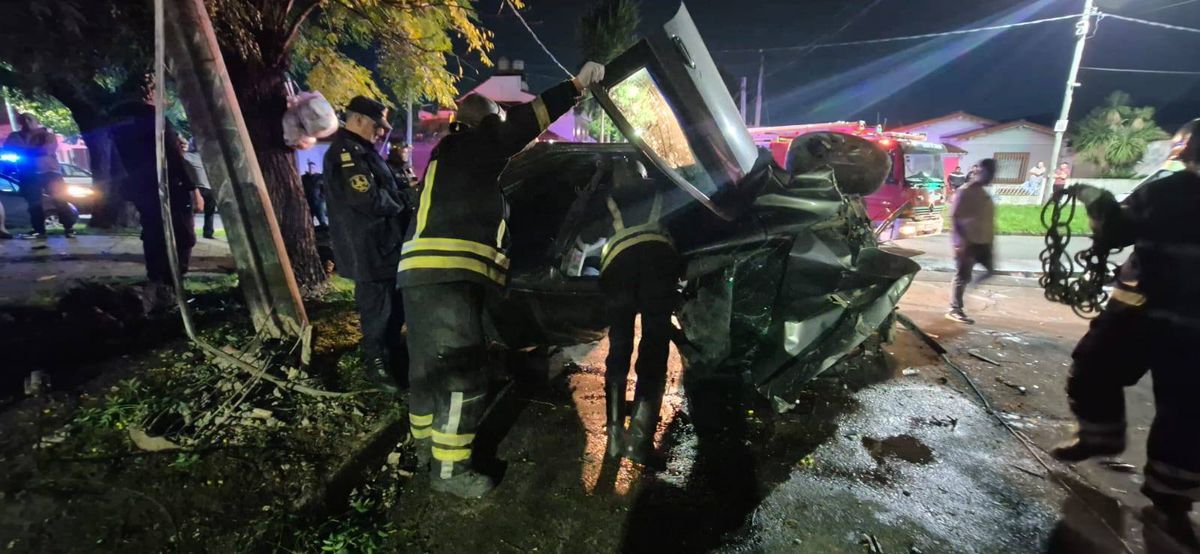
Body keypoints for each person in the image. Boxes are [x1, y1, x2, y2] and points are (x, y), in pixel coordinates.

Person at [399, 61, 604, 498]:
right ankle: (451, 472)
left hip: (419, 275)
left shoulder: (445, 158)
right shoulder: (475, 146)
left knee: (425, 370)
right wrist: (574, 87)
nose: (502, 125)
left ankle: (425, 449)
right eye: (497, 118)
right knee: (461, 376)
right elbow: (518, 129)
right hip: (450, 275)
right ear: (486, 123)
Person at [1054, 119, 1200, 549]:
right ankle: (1170, 502)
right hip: (1166, 316)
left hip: (1146, 311)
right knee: (1187, 412)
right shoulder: (1165, 192)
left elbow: (1115, 231)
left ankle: (1101, 437)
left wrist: (1094, 198)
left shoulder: (1165, 192)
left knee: (1095, 368)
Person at [322, 96, 411, 395]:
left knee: (394, 308)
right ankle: (377, 366)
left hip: (384, 246)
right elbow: (367, 199)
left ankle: (393, 357)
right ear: (357, 119)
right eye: (377, 125)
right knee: (378, 312)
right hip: (369, 251)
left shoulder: (364, 152)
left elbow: (388, 187)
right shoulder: (346, 154)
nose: (381, 132)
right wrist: (405, 201)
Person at [598, 159, 681, 465]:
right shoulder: (661, 193)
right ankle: (640, 442)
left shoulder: (606, 198)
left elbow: (586, 238)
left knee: (619, 349)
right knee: (654, 351)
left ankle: (615, 436)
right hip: (659, 273)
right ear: (643, 175)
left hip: (618, 276)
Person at [109, 77, 197, 312]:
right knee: (182, 236)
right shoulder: (155, 119)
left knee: (153, 231)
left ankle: (157, 285)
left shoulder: (117, 119)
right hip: (169, 187)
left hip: (141, 187)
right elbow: (171, 158)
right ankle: (170, 289)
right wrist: (192, 186)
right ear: (148, 93)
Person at [4, 113, 75, 239]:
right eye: (23, 119)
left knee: (60, 200)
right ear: (20, 122)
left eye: (29, 119)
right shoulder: (15, 136)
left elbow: (47, 150)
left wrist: (23, 151)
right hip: (28, 173)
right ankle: (39, 230)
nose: (26, 121)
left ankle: (69, 228)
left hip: (50, 172)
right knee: (34, 203)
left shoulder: (47, 135)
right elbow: (8, 150)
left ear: (36, 121)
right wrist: (31, 151)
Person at [946, 158, 997, 324]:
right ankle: (955, 309)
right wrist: (959, 243)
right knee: (962, 276)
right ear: (977, 172)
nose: (990, 177)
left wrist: (990, 240)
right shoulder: (964, 192)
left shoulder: (984, 194)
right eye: (987, 173)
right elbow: (954, 217)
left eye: (992, 174)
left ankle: (969, 287)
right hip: (968, 243)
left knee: (989, 270)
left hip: (983, 242)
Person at [180, 137, 216, 239]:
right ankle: (208, 232)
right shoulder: (206, 158)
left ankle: (189, 231)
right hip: (208, 187)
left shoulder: (186, 156)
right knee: (210, 211)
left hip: (196, 188)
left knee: (191, 211)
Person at [301, 160, 329, 229]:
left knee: (322, 218)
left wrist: (322, 197)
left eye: (313, 167)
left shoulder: (320, 177)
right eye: (309, 167)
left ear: (315, 168)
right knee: (309, 221)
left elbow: (325, 188)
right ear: (307, 168)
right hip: (308, 202)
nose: (311, 169)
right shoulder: (303, 178)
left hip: (319, 202)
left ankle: (325, 232)